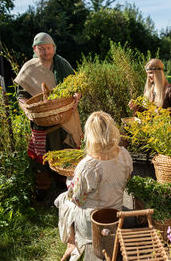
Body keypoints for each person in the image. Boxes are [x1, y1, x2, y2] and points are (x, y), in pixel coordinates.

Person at [54, 111, 133, 261]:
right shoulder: (124, 154)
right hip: (115, 215)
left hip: (93, 223)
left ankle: (72, 242)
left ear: (90, 135)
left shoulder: (88, 165)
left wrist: (70, 182)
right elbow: (126, 179)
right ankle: (73, 242)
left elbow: (76, 199)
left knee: (64, 199)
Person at [14, 32, 83, 200]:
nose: (46, 52)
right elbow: (21, 95)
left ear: (54, 48)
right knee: (42, 156)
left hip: (64, 117)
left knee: (65, 151)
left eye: (49, 48)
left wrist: (76, 97)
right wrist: (27, 111)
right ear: (35, 49)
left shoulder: (62, 64)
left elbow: (76, 87)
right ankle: (43, 190)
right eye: (42, 49)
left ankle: (64, 186)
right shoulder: (29, 69)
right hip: (41, 120)